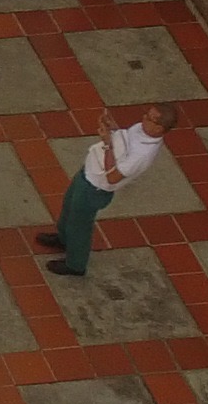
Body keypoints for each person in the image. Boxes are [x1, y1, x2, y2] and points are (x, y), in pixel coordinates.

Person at [40, 102, 176, 277]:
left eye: (150, 119)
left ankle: (75, 264)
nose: (143, 119)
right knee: (68, 209)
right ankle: (64, 239)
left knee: (79, 225)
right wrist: (113, 129)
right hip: (88, 173)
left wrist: (107, 143)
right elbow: (124, 143)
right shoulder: (142, 130)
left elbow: (112, 177)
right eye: (146, 114)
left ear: (160, 128)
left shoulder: (142, 154)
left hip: (95, 188)